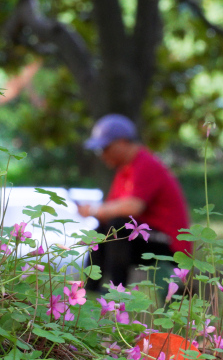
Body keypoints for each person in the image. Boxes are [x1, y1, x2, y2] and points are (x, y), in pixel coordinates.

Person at [78, 114, 191, 291]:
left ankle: (117, 292)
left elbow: (133, 207)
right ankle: (89, 289)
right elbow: (111, 210)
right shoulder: (125, 170)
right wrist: (99, 212)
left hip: (169, 242)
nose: (102, 155)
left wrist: (94, 209)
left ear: (122, 142)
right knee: (102, 231)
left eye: (104, 148)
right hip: (146, 236)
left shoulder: (145, 163)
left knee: (118, 227)